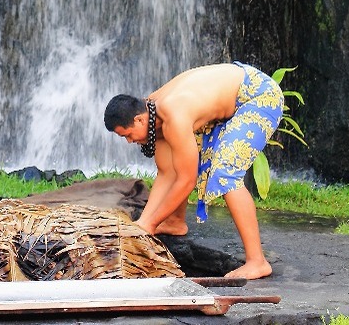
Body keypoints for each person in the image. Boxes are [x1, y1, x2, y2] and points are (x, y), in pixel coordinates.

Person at [103, 61, 283, 279]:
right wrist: (144, 224)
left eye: (127, 135)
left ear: (139, 119)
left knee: (226, 172)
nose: (130, 142)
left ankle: (258, 261)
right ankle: (174, 223)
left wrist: (148, 223)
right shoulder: (151, 112)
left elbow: (186, 180)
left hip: (257, 95)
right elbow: (167, 172)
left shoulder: (174, 115)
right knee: (177, 162)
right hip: (230, 97)